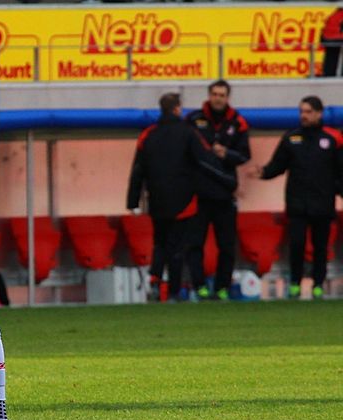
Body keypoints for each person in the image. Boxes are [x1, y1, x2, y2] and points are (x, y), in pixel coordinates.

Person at [127, 93, 237, 302]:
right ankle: (174, 291)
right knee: (177, 246)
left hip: (157, 199)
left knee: (160, 242)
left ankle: (155, 279)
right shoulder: (188, 133)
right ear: (177, 109)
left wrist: (132, 201)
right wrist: (227, 180)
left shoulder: (147, 135)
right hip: (183, 200)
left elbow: (138, 170)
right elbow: (204, 161)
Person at [251, 96, 343, 299]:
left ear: (319, 114)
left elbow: (340, 171)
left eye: (309, 112)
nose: (304, 115)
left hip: (322, 203)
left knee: (320, 246)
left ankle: (318, 283)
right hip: (297, 203)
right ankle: (295, 283)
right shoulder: (291, 138)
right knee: (296, 244)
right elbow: (278, 166)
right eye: (302, 111)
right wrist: (263, 172)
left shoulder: (333, 138)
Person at [185, 80, 250, 300]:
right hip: (199, 193)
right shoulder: (194, 120)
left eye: (222, 94)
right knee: (195, 243)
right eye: (214, 94)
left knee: (227, 245)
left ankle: (222, 288)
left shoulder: (238, 122)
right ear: (209, 95)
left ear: (228, 97)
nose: (218, 98)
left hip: (224, 194)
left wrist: (226, 154)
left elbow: (244, 155)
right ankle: (200, 286)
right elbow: (183, 152)